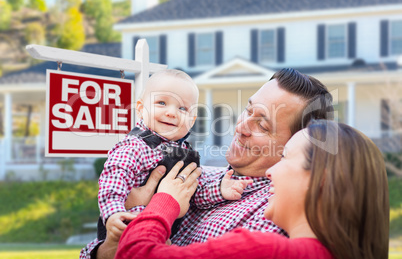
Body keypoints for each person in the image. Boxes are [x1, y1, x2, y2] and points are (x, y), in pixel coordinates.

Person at [82, 68, 334, 258]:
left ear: (296, 143)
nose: (241, 127)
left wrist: (159, 204)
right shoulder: (204, 176)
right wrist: (107, 247)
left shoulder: (272, 216)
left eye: (263, 125)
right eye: (248, 111)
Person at [115, 120, 390, 259]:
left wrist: (164, 201)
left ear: (321, 181)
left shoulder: (263, 249)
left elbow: (135, 254)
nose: (271, 172)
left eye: (284, 158)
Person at [80, 69, 252, 258]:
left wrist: (220, 190)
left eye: (182, 109)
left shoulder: (186, 155)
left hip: (161, 238)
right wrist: (114, 213)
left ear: (192, 120)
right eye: (162, 103)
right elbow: (113, 181)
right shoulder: (134, 146)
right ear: (140, 108)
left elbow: (193, 193)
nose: (171, 113)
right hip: (126, 227)